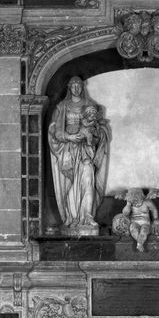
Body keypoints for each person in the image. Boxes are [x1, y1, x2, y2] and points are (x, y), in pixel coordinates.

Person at [48, 77, 109, 233]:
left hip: (85, 150)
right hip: (68, 150)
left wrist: (91, 134)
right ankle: (73, 217)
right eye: (73, 86)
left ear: (82, 87)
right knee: (71, 184)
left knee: (88, 179)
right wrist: (69, 137)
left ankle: (87, 216)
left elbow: (99, 129)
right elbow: (54, 129)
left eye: (79, 86)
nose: (76, 88)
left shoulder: (90, 106)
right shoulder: (62, 106)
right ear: (69, 88)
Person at [121, 188, 159, 252]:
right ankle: (140, 244)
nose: (135, 204)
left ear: (140, 197)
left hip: (145, 223)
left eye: (136, 201)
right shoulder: (130, 204)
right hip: (134, 222)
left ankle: (139, 244)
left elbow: (154, 209)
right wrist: (128, 205)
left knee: (144, 230)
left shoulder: (147, 202)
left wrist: (155, 219)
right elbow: (125, 213)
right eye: (133, 201)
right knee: (133, 229)